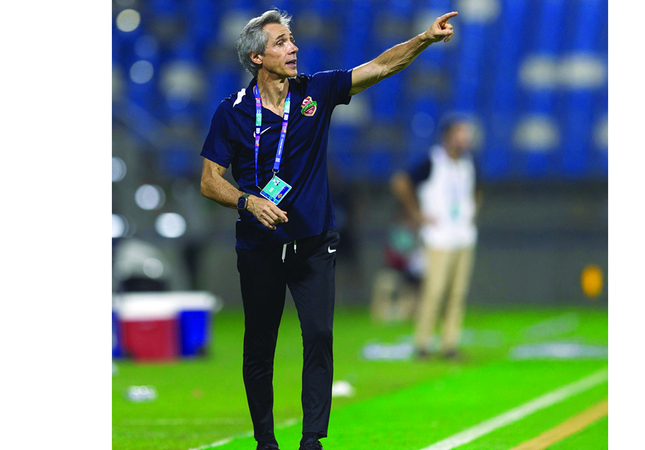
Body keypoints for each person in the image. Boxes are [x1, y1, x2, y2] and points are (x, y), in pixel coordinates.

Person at [199, 9, 458, 450]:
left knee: (319, 336)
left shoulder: (315, 91)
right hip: (260, 246)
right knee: (259, 346)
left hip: (314, 242)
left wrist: (424, 39)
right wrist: (248, 201)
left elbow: (380, 67)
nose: (293, 47)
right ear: (257, 58)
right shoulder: (233, 112)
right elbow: (209, 180)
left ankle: (312, 440)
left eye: (292, 39)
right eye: (281, 42)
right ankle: (265, 441)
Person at [391, 114, 482, 360]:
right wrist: (417, 213)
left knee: (457, 294)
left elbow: (477, 190)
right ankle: (422, 343)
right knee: (434, 291)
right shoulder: (433, 161)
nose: (464, 139)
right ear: (447, 137)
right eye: (460, 134)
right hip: (438, 238)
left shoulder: (468, 163)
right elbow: (400, 182)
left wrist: (473, 211)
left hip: (463, 236)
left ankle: (449, 344)